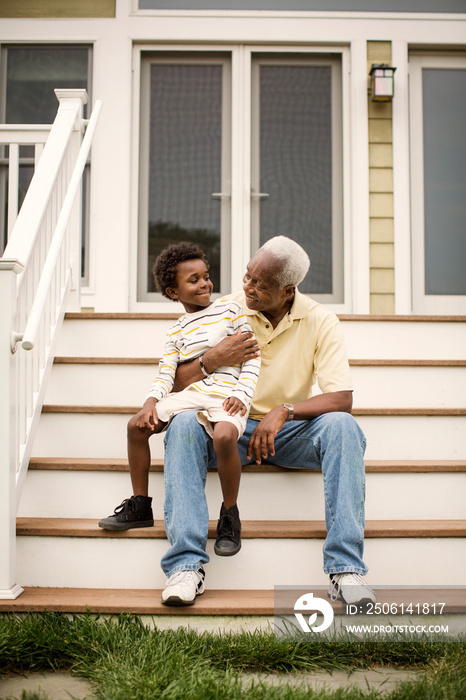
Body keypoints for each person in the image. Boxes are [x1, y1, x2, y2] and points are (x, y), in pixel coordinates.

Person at [157, 236, 375, 608]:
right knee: (181, 426)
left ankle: (345, 569)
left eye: (259, 283)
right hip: (227, 427)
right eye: (247, 276)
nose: (247, 287)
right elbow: (173, 382)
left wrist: (285, 410)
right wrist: (211, 359)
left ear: (287, 290)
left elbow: (342, 398)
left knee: (342, 426)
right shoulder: (225, 310)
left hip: (287, 434)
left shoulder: (320, 320)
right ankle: (185, 567)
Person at [99, 242, 261, 561]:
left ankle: (230, 513)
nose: (205, 284)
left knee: (226, 436)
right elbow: (165, 373)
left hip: (226, 396)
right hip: (189, 397)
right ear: (174, 292)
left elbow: (253, 358)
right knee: (135, 427)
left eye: (206, 276)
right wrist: (149, 403)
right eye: (194, 280)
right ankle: (141, 504)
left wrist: (242, 394)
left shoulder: (230, 311)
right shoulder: (175, 331)